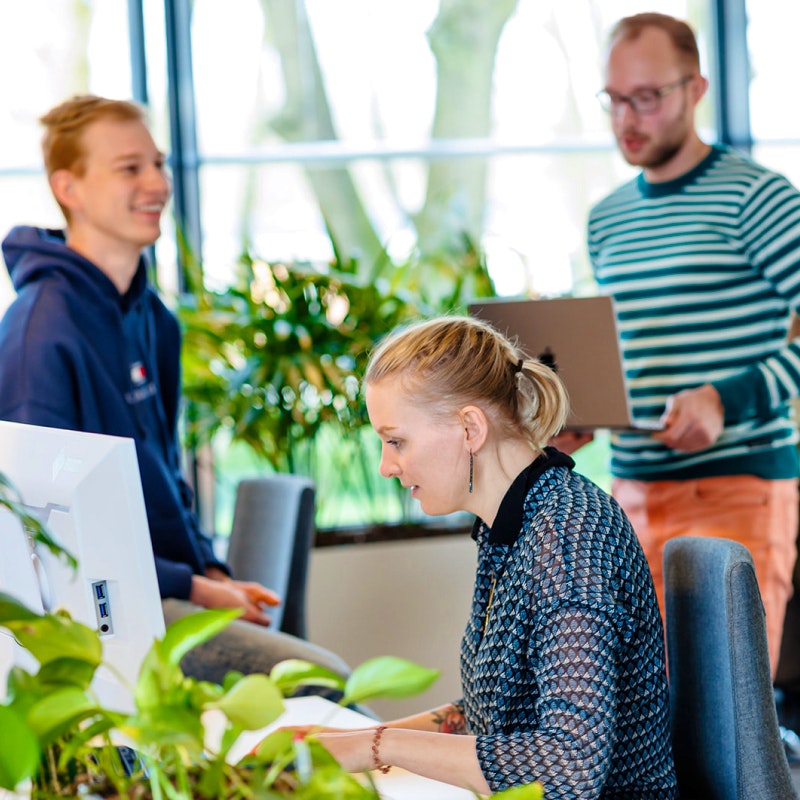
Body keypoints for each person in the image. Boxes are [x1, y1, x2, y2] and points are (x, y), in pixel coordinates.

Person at [0, 94, 350, 686]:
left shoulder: (152, 318)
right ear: (70, 188)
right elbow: (39, 535)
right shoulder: (40, 333)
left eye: (158, 164)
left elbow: (164, 479)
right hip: (106, 615)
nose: (157, 183)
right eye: (130, 168)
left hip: (169, 586)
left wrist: (212, 570)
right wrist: (191, 586)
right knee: (324, 681)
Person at [277, 316, 677, 798]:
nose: (386, 466)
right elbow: (498, 710)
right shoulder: (511, 524)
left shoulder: (568, 539)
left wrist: (378, 747)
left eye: (396, 441)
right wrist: (348, 741)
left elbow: (571, 766)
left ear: (470, 428)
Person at [586, 12, 800, 678]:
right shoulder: (607, 219)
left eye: (647, 98)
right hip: (630, 492)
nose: (629, 118)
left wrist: (723, 399)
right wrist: (578, 410)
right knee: (644, 719)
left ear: (696, 89)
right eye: (616, 100)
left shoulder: (759, 199)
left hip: (735, 489)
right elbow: (633, 352)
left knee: (724, 721)